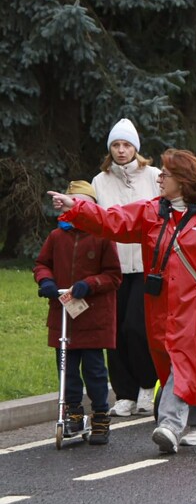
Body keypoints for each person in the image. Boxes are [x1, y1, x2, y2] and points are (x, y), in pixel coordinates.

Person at [47, 149, 196, 454]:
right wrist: (76, 208)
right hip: (159, 304)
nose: (160, 178)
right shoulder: (153, 212)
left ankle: (168, 425)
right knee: (172, 364)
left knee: (183, 358)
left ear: (184, 180)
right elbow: (113, 220)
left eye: (166, 173)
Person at [34, 181, 122, 445]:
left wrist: (89, 285)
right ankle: (72, 411)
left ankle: (100, 414)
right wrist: (46, 281)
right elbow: (42, 264)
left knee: (94, 370)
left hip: (93, 316)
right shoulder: (56, 237)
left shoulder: (102, 237)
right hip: (64, 317)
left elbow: (113, 276)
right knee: (67, 369)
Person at [91, 119, 160, 417]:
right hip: (114, 267)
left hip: (146, 264)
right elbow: (97, 221)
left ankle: (147, 385)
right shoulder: (100, 181)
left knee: (137, 328)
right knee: (114, 331)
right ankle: (124, 392)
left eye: (127, 145)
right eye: (116, 145)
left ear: (136, 148)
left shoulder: (155, 176)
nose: (121, 151)